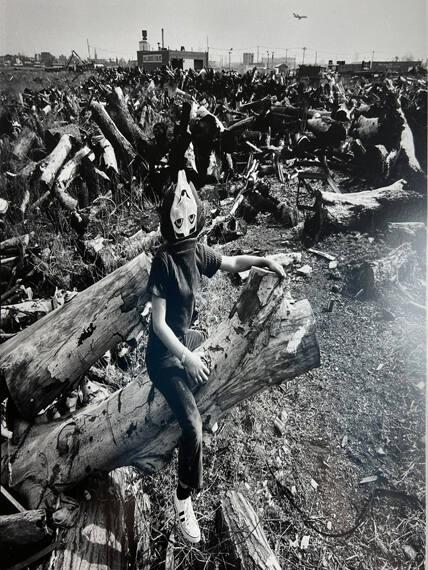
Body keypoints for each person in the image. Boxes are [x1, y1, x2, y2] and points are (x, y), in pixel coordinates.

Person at [145, 170, 285, 543]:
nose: (184, 226)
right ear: (167, 221)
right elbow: (158, 325)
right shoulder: (163, 261)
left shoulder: (195, 249)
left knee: (207, 342)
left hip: (185, 340)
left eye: (190, 220)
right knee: (191, 426)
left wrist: (262, 260)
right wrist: (187, 359)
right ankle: (182, 499)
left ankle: (207, 405)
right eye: (178, 222)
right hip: (163, 356)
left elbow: (231, 262)